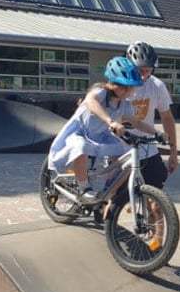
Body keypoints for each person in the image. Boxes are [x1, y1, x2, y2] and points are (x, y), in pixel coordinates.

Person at [48, 56, 160, 202]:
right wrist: (111, 122)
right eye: (123, 86)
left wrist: (157, 133)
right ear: (112, 83)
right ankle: (83, 188)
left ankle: (109, 191)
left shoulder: (125, 104)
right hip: (80, 132)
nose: (127, 91)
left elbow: (137, 122)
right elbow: (91, 101)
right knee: (81, 146)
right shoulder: (101, 92)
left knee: (127, 156)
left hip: (100, 135)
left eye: (131, 87)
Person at [125, 41, 178, 186]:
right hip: (120, 151)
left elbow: (167, 118)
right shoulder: (120, 86)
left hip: (147, 149)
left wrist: (173, 151)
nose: (144, 76)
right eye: (140, 71)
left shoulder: (157, 86)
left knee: (156, 200)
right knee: (115, 199)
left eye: (148, 71)